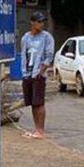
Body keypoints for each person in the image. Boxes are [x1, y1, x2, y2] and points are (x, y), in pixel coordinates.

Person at [21, 11, 55, 139]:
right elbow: (24, 54)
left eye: (42, 22)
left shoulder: (46, 37)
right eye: (38, 21)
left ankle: (41, 130)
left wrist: (41, 71)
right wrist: (24, 72)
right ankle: (36, 128)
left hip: (38, 73)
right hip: (27, 72)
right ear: (32, 22)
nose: (41, 24)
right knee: (32, 102)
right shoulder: (26, 38)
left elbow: (49, 55)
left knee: (39, 102)